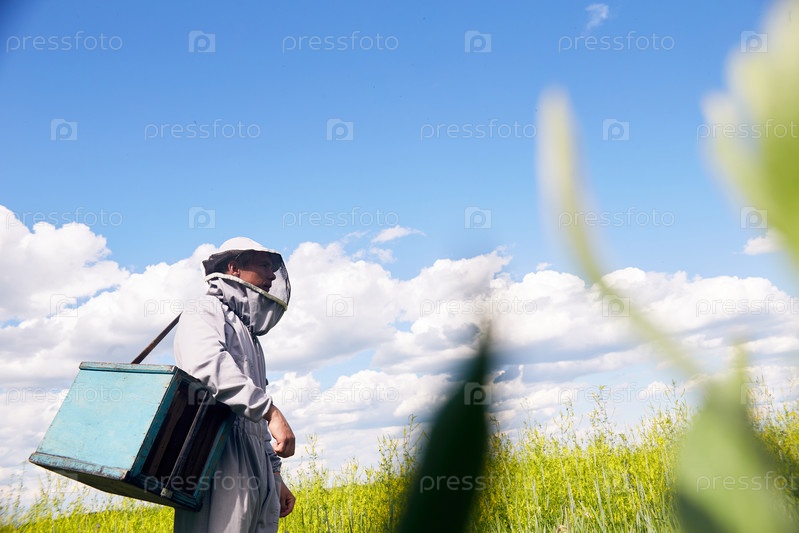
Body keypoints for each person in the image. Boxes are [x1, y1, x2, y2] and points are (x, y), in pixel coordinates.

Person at [173, 237, 296, 533]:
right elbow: (206, 366)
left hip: (255, 463)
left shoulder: (248, 334)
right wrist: (271, 412)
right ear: (234, 268)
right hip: (216, 454)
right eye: (264, 265)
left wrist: (275, 476)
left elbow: (253, 423)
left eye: (273, 268)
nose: (271, 276)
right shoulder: (205, 309)